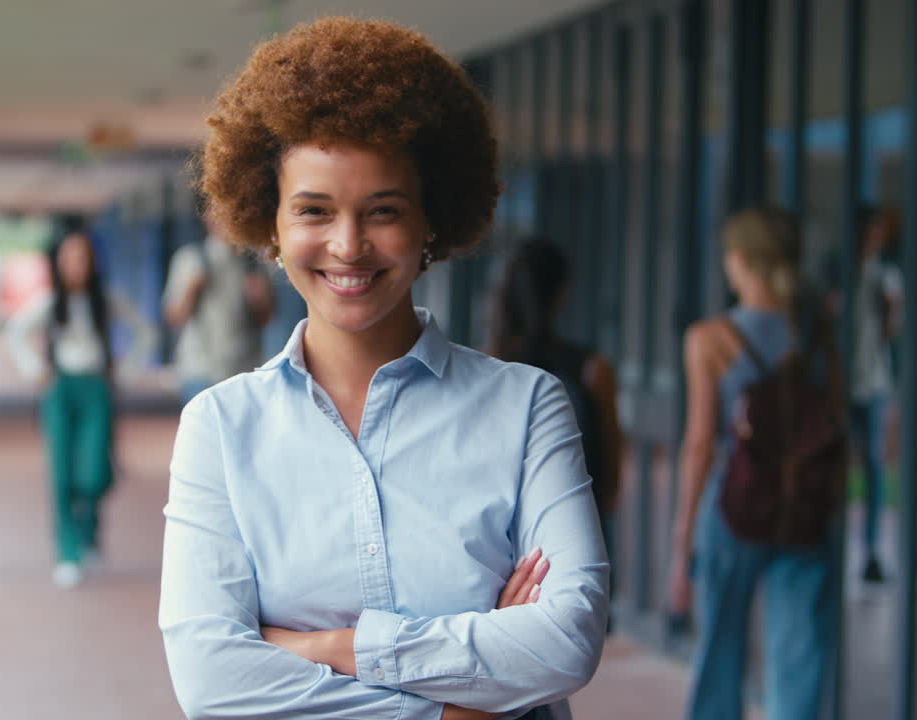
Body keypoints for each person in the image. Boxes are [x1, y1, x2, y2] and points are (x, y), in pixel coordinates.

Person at [159, 18, 608, 720]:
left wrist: (331, 647)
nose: (348, 244)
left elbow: (567, 641)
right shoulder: (219, 428)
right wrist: (463, 698)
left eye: (384, 211)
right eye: (313, 209)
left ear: (431, 222)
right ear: (269, 224)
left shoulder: (525, 407)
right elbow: (213, 682)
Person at [667, 208, 842, 720]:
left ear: (740, 261)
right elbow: (833, 422)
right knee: (799, 665)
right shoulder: (817, 333)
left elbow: (699, 444)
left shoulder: (710, 339)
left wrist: (683, 543)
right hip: (807, 512)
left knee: (718, 656)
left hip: (733, 507)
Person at [5, 228, 154, 588]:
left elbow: (144, 331)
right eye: (69, 258)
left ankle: (91, 529)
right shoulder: (48, 302)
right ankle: (68, 550)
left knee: (94, 469)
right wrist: (35, 370)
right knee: (62, 472)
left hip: (97, 388)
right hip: (61, 388)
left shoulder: (107, 299)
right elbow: (16, 332)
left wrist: (126, 369)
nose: (76, 265)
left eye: (83, 257)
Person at [488, 239, 623, 548]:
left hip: (502, 540)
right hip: (578, 534)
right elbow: (611, 477)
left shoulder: (484, 370)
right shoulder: (593, 370)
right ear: (560, 294)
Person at [848, 207, 903, 583]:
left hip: (874, 381)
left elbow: (892, 333)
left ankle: (871, 552)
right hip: (843, 382)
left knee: (875, 467)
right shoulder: (842, 273)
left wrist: (889, 311)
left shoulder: (888, 277)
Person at [162, 221, 274, 403]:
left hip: (243, 370)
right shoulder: (190, 258)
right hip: (200, 370)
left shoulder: (254, 262)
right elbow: (173, 317)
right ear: (206, 217)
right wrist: (192, 291)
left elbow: (266, 318)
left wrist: (260, 299)